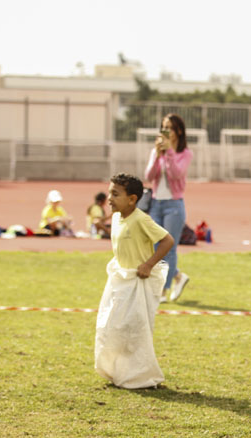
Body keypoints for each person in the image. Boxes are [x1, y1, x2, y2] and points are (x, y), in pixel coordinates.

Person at [95, 173, 174, 389]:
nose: (109, 198)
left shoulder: (141, 219)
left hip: (138, 282)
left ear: (132, 199)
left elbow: (167, 240)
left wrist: (148, 264)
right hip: (119, 280)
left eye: (115, 194)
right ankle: (118, 372)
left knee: (133, 329)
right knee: (112, 327)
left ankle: (141, 377)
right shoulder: (116, 217)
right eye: (110, 192)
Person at [144, 113, 193, 302]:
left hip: (174, 205)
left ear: (178, 131)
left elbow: (176, 174)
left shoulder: (185, 153)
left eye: (170, 128)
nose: (166, 131)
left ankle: (163, 290)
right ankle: (178, 276)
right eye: (163, 127)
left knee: (169, 248)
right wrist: (157, 155)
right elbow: (149, 175)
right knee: (155, 247)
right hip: (156, 203)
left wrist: (170, 152)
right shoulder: (157, 151)